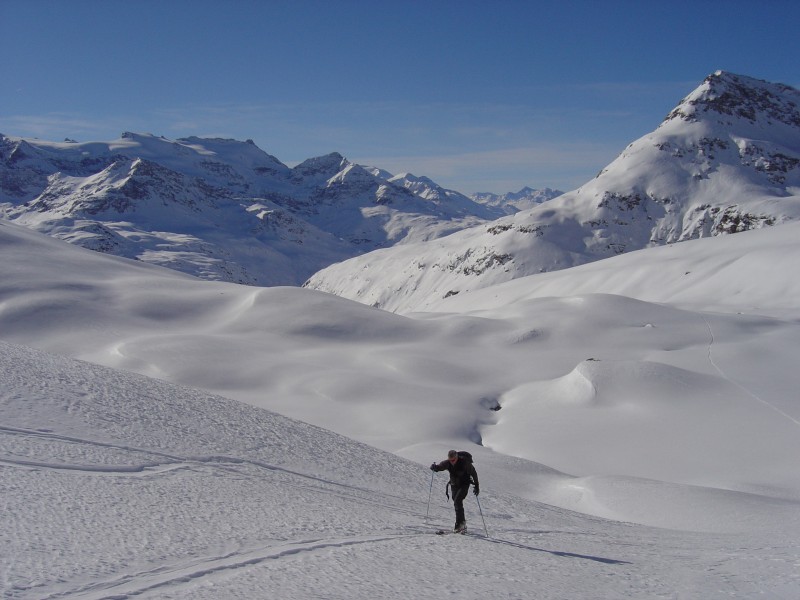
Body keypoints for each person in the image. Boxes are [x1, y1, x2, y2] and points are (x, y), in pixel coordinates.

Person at [430, 449, 479, 533]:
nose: (451, 462)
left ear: (457, 457)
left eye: (453, 460)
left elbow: (473, 473)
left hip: (464, 484)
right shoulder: (448, 462)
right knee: (456, 502)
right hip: (454, 485)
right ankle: (462, 524)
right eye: (450, 460)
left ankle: (459, 525)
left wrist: (477, 485)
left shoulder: (464, 463)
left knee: (457, 501)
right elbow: (441, 467)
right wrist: (435, 468)